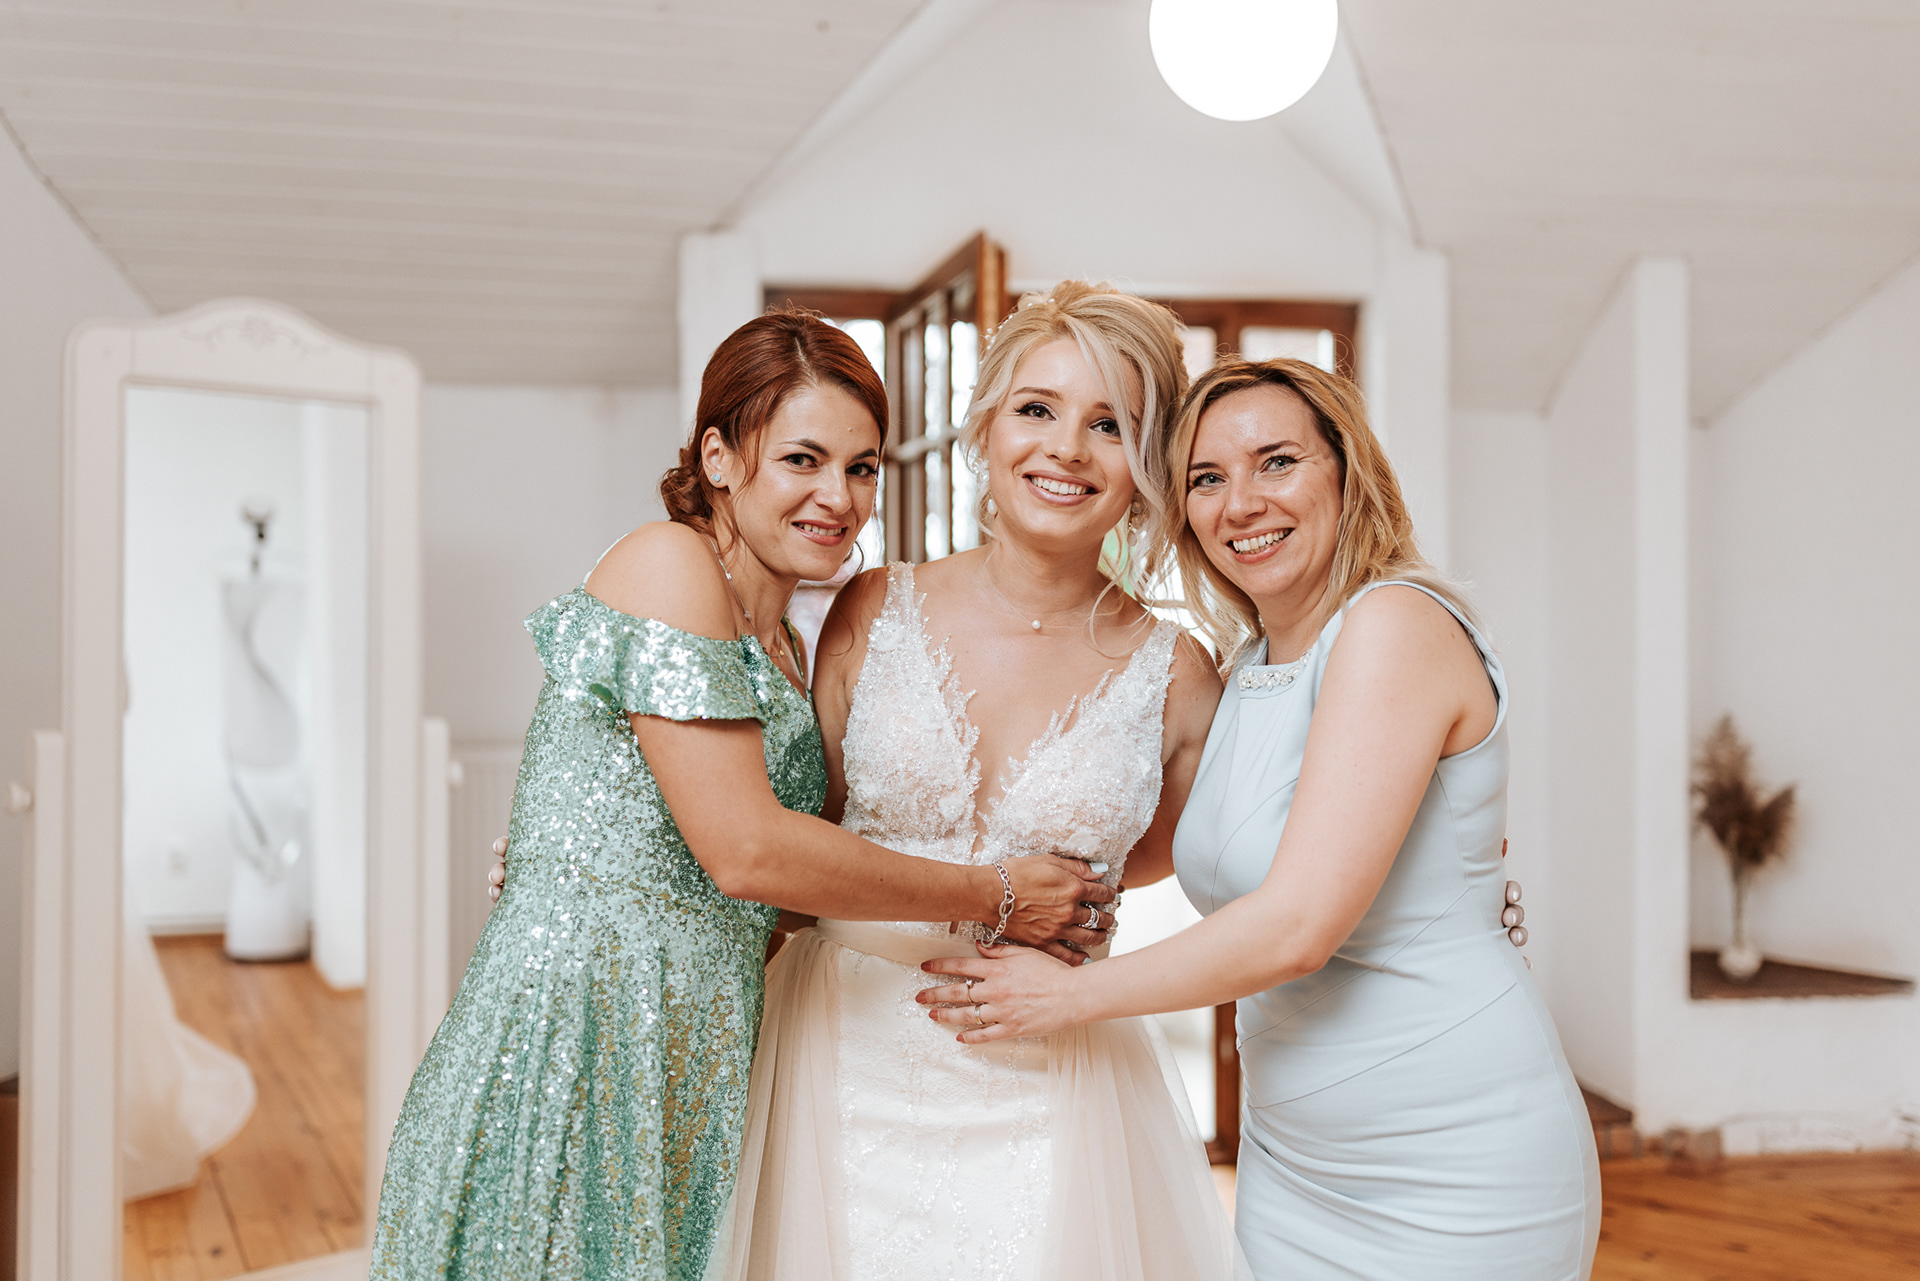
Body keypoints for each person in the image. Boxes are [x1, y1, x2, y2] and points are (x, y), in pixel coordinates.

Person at [367, 311, 1108, 1281]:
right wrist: (995, 892)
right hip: (579, 1035)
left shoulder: (792, 646)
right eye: (802, 459)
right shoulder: (666, 564)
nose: (838, 497)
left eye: (861, 468)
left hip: (696, 1053)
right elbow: (748, 852)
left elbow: (782, 894)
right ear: (718, 457)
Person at [922, 356, 1601, 1280]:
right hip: (1292, 1164)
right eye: (1208, 478)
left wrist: (1066, 997)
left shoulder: (1395, 623)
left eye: (1277, 462)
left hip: (1457, 1159)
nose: (1241, 503)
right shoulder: (1244, 671)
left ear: (1347, 473)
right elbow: (1161, 847)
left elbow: (1298, 925)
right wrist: (989, 882)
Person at [706, 283, 1243, 1281]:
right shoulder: (873, 606)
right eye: (1038, 408)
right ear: (986, 426)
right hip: (840, 1057)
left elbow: (1172, 854)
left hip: (1055, 1083)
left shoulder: (1178, 672)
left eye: (1111, 424)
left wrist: (1071, 910)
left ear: (1149, 462)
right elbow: (796, 827)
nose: (1067, 450)